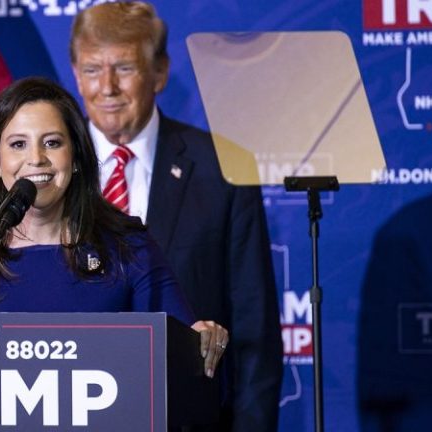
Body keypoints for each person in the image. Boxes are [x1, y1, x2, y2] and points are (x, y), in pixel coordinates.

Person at [0, 77, 228, 378]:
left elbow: (179, 354)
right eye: (18, 144)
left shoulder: (127, 246)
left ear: (76, 156)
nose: (36, 159)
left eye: (52, 143)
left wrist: (201, 341)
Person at [69, 2, 283, 431]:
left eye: (124, 68)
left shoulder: (222, 167)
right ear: (76, 74)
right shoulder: (52, 169)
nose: (107, 87)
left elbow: (254, 329)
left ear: (160, 73)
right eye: (92, 70)